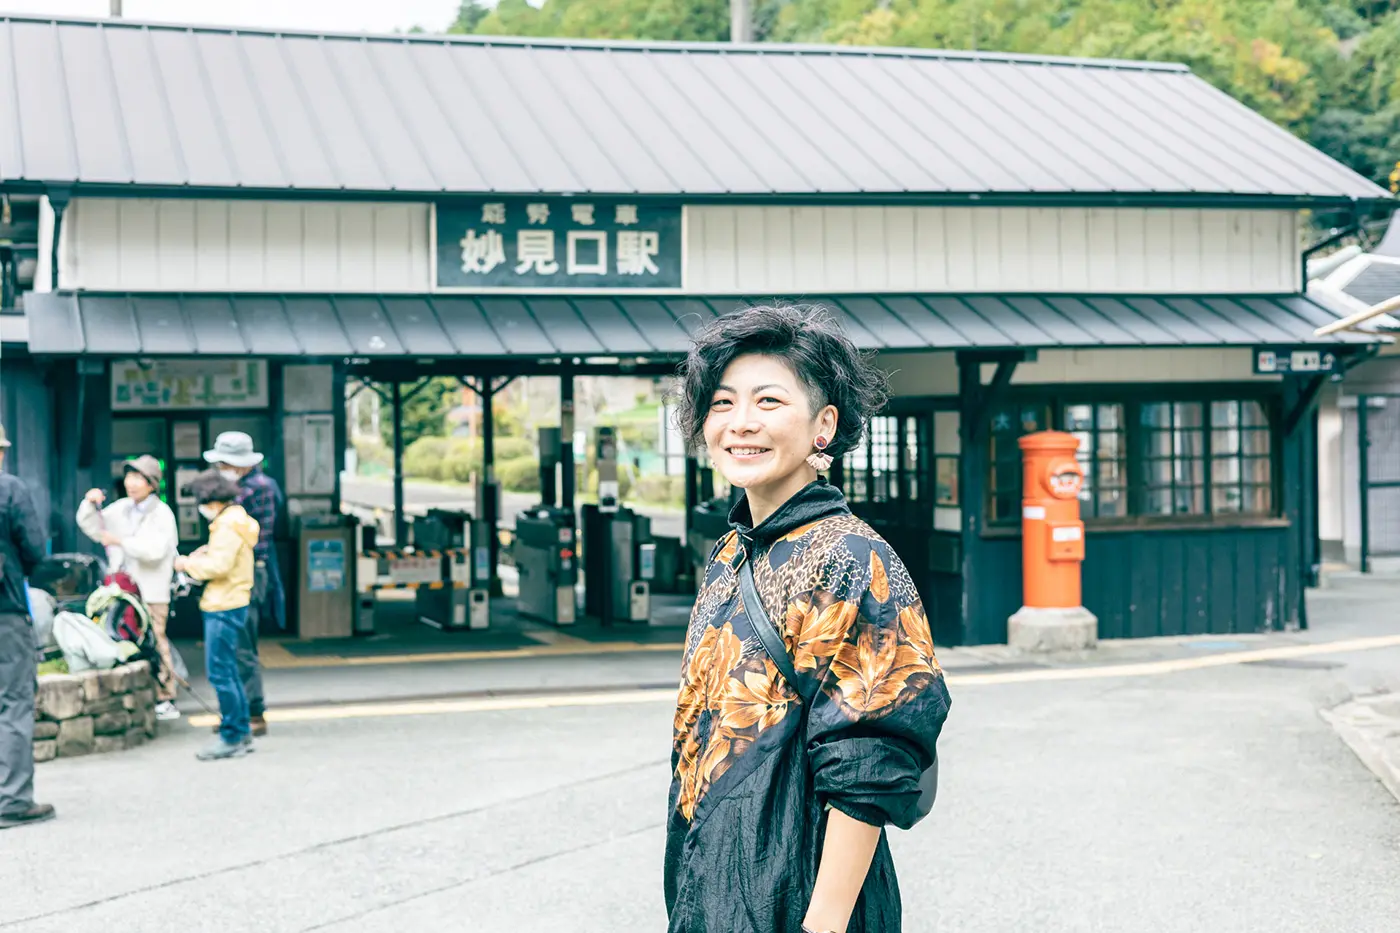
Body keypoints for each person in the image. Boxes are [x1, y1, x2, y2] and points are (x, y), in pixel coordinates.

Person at [665, 306, 952, 933]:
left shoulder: (850, 558)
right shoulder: (731, 552)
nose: (741, 422)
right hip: (711, 886)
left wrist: (822, 924)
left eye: (769, 401)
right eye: (722, 403)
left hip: (801, 899)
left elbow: (870, 764)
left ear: (824, 424)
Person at [77, 455, 181, 720]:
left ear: (152, 484)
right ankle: (140, 695)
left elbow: (156, 551)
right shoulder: (121, 508)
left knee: (155, 639)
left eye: (138, 479)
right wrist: (89, 504)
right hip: (122, 590)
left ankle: (166, 695)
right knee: (124, 638)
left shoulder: (162, 513)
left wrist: (121, 541)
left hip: (152, 590)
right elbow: (93, 527)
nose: (131, 484)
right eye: (129, 477)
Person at [174, 470, 259, 761]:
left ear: (212, 501)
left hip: (223, 604)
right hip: (234, 600)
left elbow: (218, 567)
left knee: (220, 673)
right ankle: (241, 730)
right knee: (229, 671)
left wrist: (185, 564)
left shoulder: (226, 525)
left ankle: (232, 736)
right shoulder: (237, 521)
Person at [203, 432, 281, 737]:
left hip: (247, 574)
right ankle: (235, 714)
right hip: (240, 571)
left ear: (239, 464)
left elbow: (252, 539)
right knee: (231, 649)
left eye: (224, 464)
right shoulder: (246, 487)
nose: (220, 469)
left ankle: (254, 713)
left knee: (242, 647)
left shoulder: (257, 489)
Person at [0, 423, 55, 829]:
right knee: (14, 702)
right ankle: (13, 800)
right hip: (5, 613)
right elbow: (35, 551)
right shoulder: (9, 489)